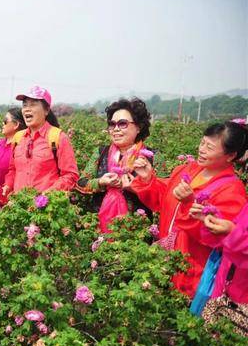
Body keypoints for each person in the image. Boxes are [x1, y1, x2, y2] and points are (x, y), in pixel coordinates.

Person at [129, 120, 248, 297]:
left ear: (230, 155)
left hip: (192, 272)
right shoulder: (188, 170)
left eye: (210, 147)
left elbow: (216, 237)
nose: (201, 149)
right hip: (166, 262)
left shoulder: (232, 190)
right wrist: (148, 179)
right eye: (202, 143)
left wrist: (189, 203)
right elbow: (165, 198)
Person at [77, 98, 159, 232]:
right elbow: (81, 184)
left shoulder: (152, 156)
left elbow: (164, 194)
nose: (116, 129)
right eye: (112, 124)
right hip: (99, 226)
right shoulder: (101, 152)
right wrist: (101, 182)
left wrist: (137, 187)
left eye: (122, 124)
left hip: (138, 231)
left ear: (138, 127)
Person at [2, 85, 79, 196]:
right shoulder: (18, 138)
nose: (27, 109)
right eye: (24, 105)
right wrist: (8, 184)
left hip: (46, 210)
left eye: (33, 104)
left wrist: (47, 195)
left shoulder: (58, 137)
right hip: (19, 206)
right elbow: (13, 169)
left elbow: (70, 175)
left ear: (46, 110)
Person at [0, 108, 26, 205]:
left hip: (7, 202)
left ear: (16, 125)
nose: (2, 124)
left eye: (5, 121)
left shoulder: (22, 146)